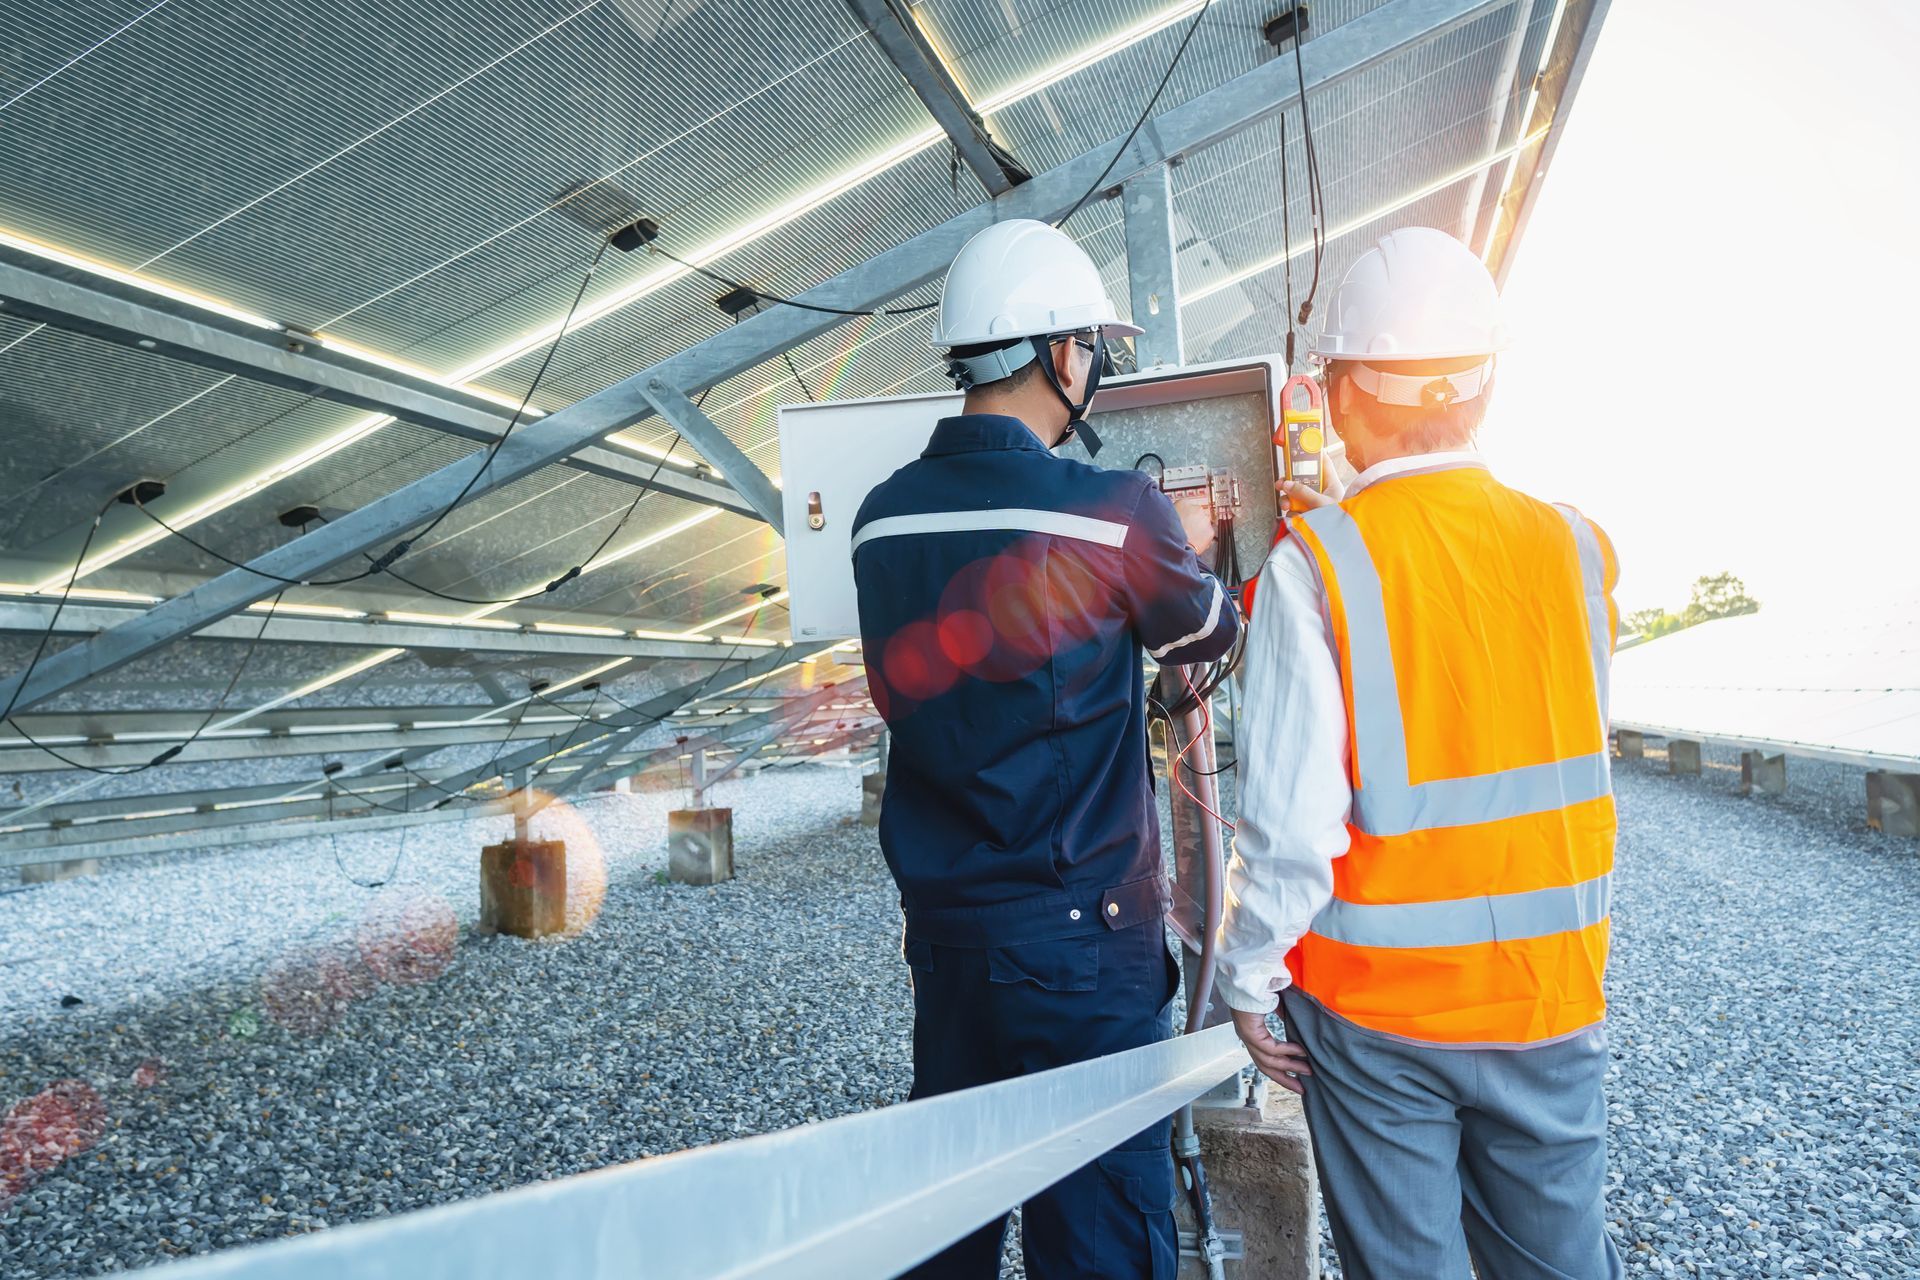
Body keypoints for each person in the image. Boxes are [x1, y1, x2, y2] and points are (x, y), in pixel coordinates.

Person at [1216, 226, 1625, 1280]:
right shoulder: (1576, 547)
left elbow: (1292, 822)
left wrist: (1250, 975)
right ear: (1483, 389)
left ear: (1344, 394)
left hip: (1379, 1012)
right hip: (1548, 991)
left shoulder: (1316, 567)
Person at [850, 217, 1240, 1279]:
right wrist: (1191, 547)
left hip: (949, 946)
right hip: (1084, 947)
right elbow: (1211, 633)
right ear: (1062, 353)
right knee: (1103, 1237)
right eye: (1092, 350)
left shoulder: (877, 521)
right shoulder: (1117, 511)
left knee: (951, 1227)